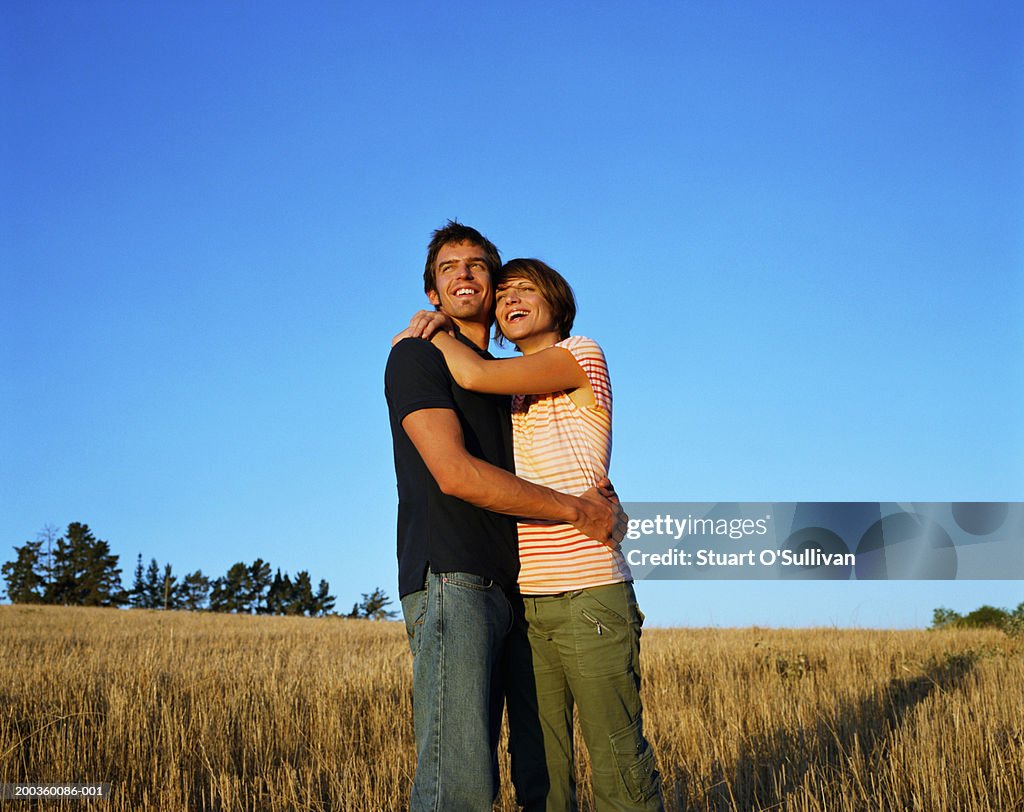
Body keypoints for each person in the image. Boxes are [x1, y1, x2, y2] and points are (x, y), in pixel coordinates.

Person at [404, 257, 663, 811]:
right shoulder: (511, 395)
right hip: (526, 604)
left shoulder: (579, 354)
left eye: (525, 290)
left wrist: (433, 328)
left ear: (557, 301)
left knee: (618, 762)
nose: (510, 301)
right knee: (538, 771)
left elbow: (474, 374)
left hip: (589, 592)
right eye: (503, 296)